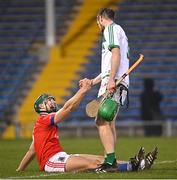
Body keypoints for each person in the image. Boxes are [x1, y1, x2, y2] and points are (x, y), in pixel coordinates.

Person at [16, 79, 157, 173]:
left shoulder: (40, 127)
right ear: (40, 106)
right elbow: (67, 109)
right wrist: (84, 90)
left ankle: (136, 163)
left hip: (62, 156)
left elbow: (31, 151)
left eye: (53, 99)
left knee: (102, 159)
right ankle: (133, 167)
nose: (52, 102)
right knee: (92, 164)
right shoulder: (43, 120)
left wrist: (19, 171)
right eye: (48, 101)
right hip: (51, 162)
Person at [80, 8, 130, 172]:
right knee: (109, 122)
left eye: (97, 22)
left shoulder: (110, 29)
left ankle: (110, 162)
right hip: (115, 79)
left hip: (114, 81)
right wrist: (93, 81)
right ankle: (110, 160)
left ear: (100, 18)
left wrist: (111, 80)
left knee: (101, 120)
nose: (97, 25)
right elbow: (109, 66)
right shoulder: (118, 30)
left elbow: (115, 54)